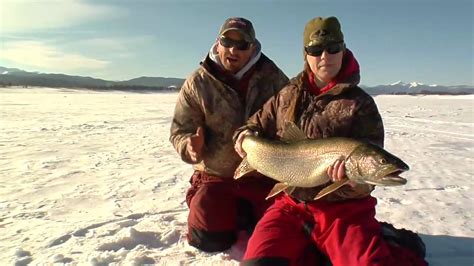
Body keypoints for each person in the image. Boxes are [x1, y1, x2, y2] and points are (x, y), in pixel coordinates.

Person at [234, 17, 427, 265]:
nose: (324, 56)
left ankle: (394, 241)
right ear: (306, 54)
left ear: (343, 49)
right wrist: (243, 139)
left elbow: (367, 179)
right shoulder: (287, 94)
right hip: (291, 205)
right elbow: (252, 126)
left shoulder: (361, 104)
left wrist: (356, 185)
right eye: (315, 50)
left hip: (344, 210)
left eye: (332, 48)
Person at [169, 17, 289, 253]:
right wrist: (190, 146)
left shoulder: (274, 78)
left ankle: (245, 211)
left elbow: (291, 118)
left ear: (253, 48)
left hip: (262, 175)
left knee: (282, 228)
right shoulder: (198, 82)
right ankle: (224, 210)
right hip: (216, 177)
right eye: (227, 41)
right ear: (218, 43)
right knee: (208, 239)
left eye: (242, 44)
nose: (233, 50)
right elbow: (180, 130)